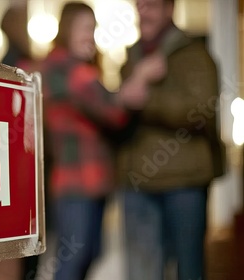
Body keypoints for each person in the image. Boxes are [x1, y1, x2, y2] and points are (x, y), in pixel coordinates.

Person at [43, 2, 160, 279]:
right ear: (67, 30)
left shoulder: (62, 68)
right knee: (73, 262)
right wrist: (141, 75)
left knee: (86, 256)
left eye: (93, 30)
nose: (90, 37)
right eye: (84, 29)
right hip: (78, 181)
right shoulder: (72, 71)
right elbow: (114, 112)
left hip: (84, 181)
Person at [118, 0, 226, 279]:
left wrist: (147, 98)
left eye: (151, 5)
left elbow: (202, 109)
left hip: (184, 181)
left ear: (169, 10)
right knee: (142, 271)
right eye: (139, 5)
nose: (143, 11)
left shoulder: (193, 53)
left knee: (188, 268)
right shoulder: (132, 55)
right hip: (138, 181)